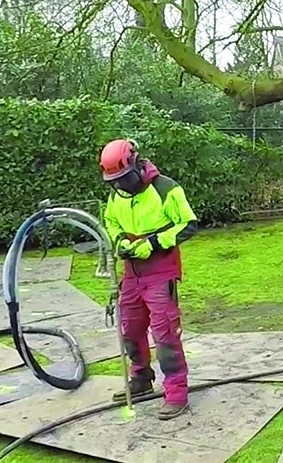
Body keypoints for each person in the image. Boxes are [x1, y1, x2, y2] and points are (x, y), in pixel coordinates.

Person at [99, 138, 198, 420]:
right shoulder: (118, 194)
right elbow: (111, 221)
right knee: (129, 328)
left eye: (123, 178)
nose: (119, 185)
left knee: (165, 333)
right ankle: (141, 378)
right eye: (113, 181)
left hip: (160, 269)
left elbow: (188, 224)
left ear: (135, 164)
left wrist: (153, 243)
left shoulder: (166, 188)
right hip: (131, 271)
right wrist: (118, 240)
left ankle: (176, 391)